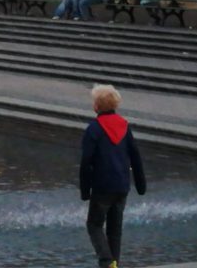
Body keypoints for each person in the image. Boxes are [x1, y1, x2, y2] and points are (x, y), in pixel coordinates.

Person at [80, 84, 146, 268]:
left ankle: (106, 261)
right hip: (122, 185)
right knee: (115, 229)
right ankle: (114, 263)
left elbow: (86, 161)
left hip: (102, 186)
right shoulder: (124, 126)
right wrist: (141, 185)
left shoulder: (93, 129)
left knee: (94, 225)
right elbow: (135, 156)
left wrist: (85, 190)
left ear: (97, 107)